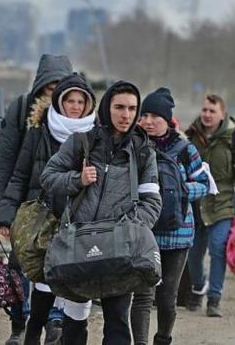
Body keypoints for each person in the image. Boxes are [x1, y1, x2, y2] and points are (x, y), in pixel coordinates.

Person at [40, 81, 162, 344]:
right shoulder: (81, 142)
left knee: (118, 323)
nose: (125, 115)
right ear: (107, 108)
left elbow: (152, 202)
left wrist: (128, 229)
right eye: (119, 107)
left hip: (119, 250)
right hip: (79, 246)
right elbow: (48, 177)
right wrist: (77, 180)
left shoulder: (143, 152)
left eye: (132, 108)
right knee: (74, 324)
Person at [0, 73, 96, 345]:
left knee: (72, 280)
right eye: (69, 100)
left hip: (79, 220)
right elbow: (20, 174)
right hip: (43, 219)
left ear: (88, 104)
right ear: (59, 102)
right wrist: (5, 213)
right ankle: (33, 331)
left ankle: (58, 330)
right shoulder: (39, 131)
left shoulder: (95, 135)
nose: (75, 106)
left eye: (80, 101)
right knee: (42, 280)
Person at [0, 54, 72, 345]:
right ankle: (19, 322)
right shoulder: (23, 110)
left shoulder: (78, 114)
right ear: (40, 85)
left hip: (64, 204)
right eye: (50, 84)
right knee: (21, 262)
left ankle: (54, 323)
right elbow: (5, 160)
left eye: (61, 84)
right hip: (26, 202)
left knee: (59, 263)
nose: (55, 89)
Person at [131, 87, 210, 345]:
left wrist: (182, 189)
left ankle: (162, 339)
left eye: (156, 116)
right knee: (142, 296)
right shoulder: (133, 145)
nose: (149, 121)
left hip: (178, 234)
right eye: (145, 115)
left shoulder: (185, 149)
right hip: (144, 232)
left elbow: (204, 184)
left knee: (167, 298)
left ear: (167, 120)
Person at [184, 94, 235, 317]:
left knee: (218, 249)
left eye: (212, 111)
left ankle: (214, 298)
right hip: (196, 204)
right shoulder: (191, 135)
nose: (206, 114)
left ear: (222, 114)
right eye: (204, 110)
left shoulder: (233, 138)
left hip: (222, 205)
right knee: (193, 254)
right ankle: (197, 287)